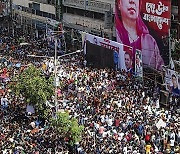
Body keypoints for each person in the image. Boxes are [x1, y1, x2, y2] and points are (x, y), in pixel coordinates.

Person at [115, 0, 164, 70]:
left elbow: (161, 69)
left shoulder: (150, 41)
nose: (132, 1)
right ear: (119, 4)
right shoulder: (116, 35)